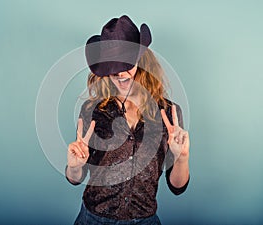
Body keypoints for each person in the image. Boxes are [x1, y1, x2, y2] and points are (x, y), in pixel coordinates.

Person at [65, 15, 190, 225]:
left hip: (144, 220)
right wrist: (74, 166)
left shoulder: (169, 114)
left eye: (126, 63)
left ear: (142, 61)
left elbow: (177, 187)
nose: (120, 72)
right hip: (94, 219)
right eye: (112, 64)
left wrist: (182, 157)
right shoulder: (93, 110)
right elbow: (75, 178)